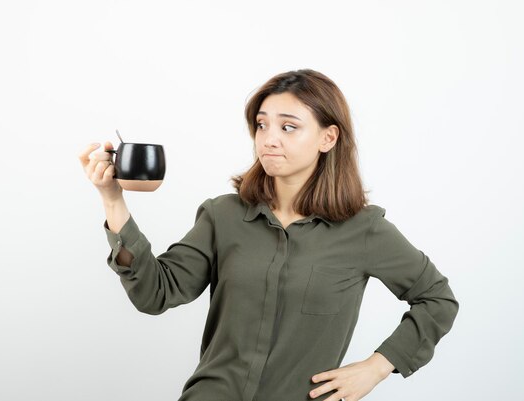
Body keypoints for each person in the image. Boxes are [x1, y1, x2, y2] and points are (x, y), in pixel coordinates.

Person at [78, 69, 459, 401]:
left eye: (288, 127)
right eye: (262, 125)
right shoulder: (223, 216)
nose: (268, 139)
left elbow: (437, 299)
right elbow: (155, 294)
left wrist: (377, 367)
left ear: (328, 138)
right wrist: (113, 201)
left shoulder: (364, 229)